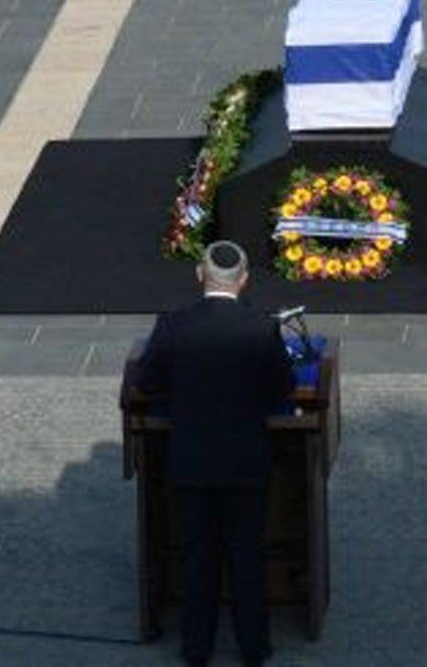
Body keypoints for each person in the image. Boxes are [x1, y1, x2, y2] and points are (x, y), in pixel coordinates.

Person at [133, 240, 294, 667]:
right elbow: (283, 387)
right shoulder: (260, 327)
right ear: (244, 280)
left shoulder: (173, 325)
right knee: (247, 555)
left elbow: (147, 382)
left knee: (197, 556)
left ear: (200, 276)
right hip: (245, 461)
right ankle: (253, 647)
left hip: (191, 460)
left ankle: (196, 648)